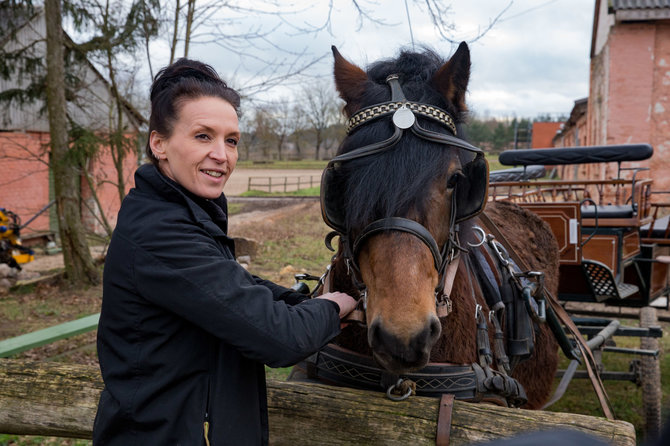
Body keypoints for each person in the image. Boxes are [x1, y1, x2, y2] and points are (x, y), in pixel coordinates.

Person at [92, 58, 357, 445]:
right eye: (203, 136)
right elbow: (280, 339)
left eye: (231, 140)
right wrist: (333, 307)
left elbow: (233, 288)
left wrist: (304, 299)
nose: (222, 154)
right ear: (159, 143)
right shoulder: (159, 233)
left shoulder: (180, 214)